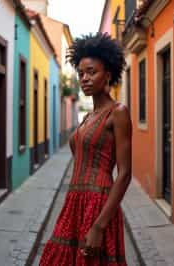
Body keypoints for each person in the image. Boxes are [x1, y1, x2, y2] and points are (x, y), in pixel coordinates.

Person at [39, 33, 132, 266]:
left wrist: (100, 226)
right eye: (81, 73)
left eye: (92, 72)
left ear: (108, 75)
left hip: (98, 203)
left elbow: (124, 173)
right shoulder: (88, 117)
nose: (84, 78)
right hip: (74, 201)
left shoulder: (118, 112)